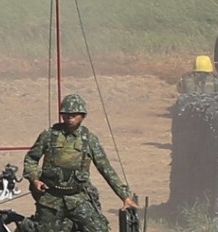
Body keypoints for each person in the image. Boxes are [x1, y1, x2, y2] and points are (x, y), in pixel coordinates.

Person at [23, 94, 137, 232]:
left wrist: (124, 196)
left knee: (99, 229)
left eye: (74, 114)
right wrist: (34, 180)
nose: (69, 118)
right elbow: (31, 159)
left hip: (77, 198)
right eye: (66, 114)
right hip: (50, 199)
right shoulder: (48, 136)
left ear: (82, 115)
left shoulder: (89, 139)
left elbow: (105, 168)